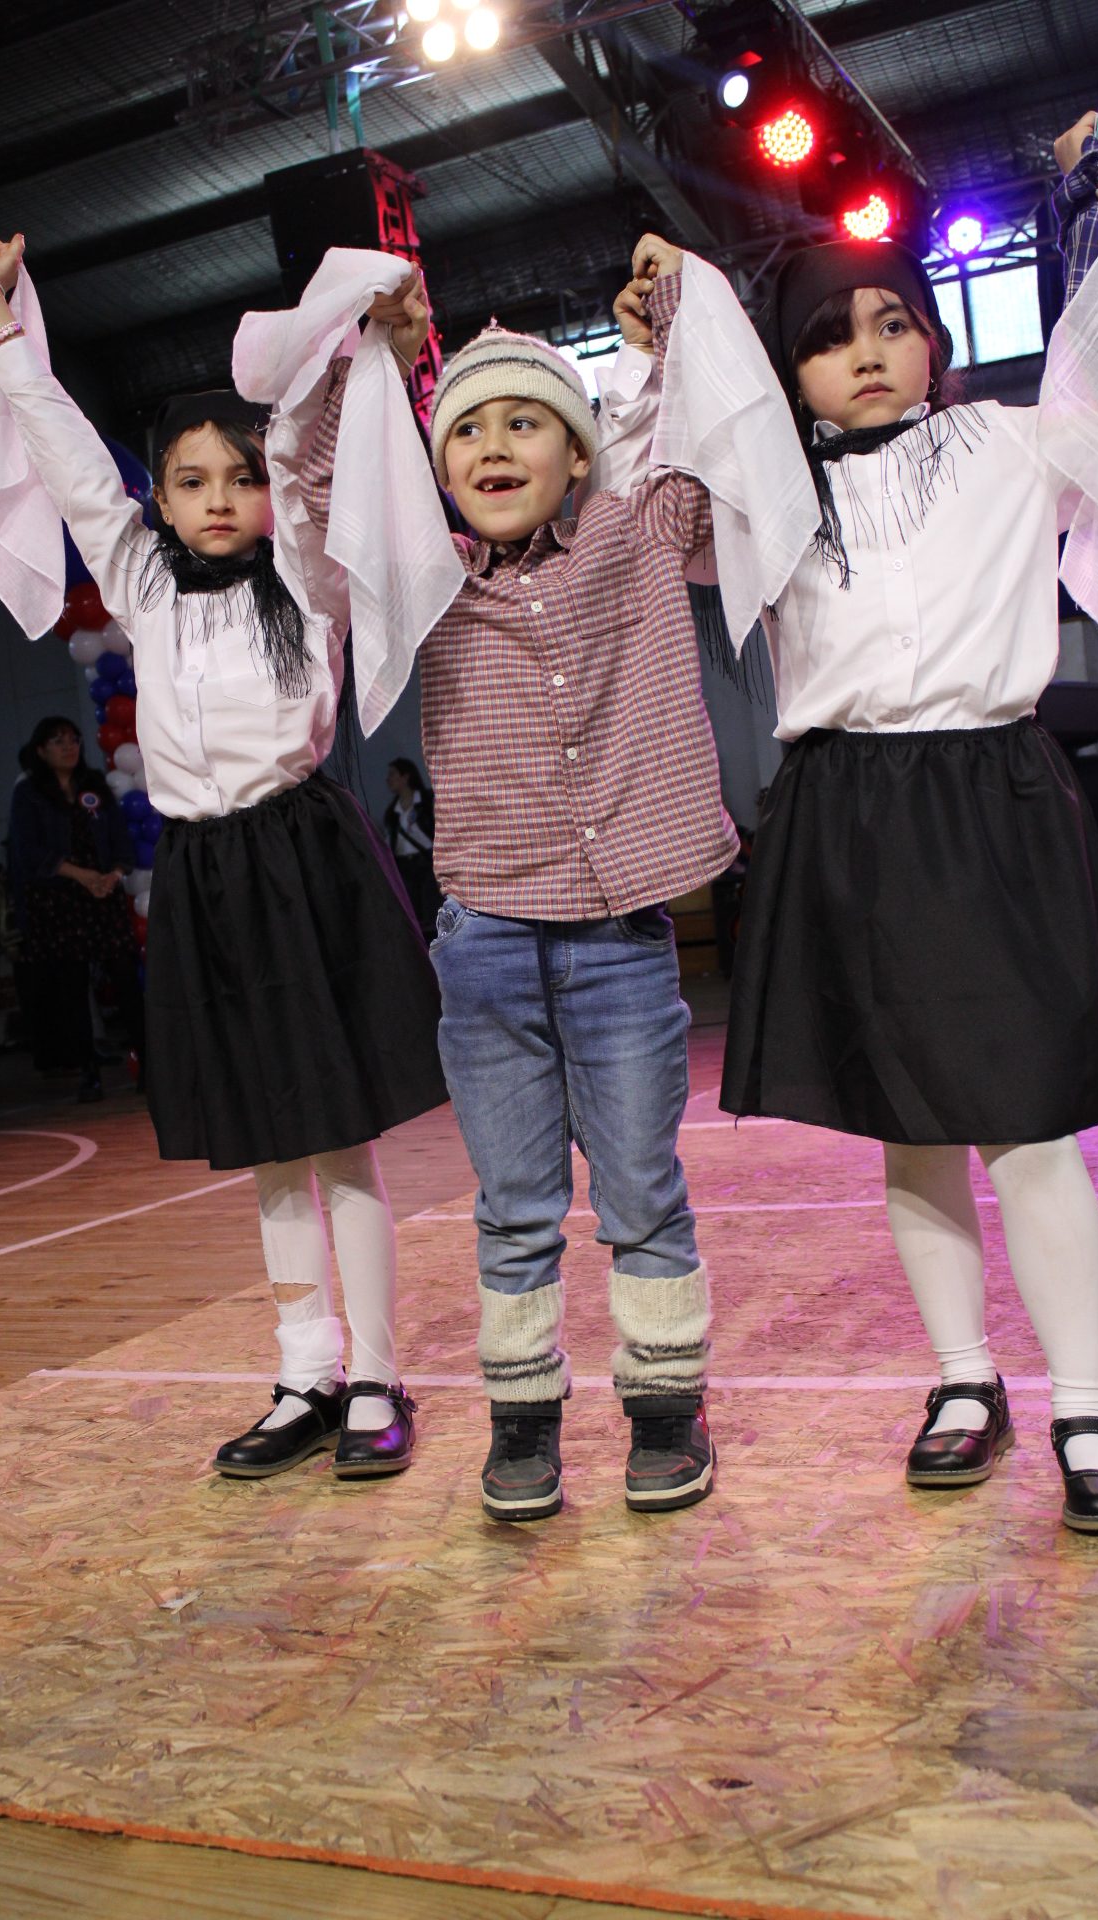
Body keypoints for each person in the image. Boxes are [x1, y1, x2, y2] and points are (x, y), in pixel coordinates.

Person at [262, 236, 804, 1525]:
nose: (492, 446)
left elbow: (708, 431)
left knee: (640, 1192)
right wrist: (378, 359)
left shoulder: (637, 533)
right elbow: (325, 487)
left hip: (618, 939)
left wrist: (667, 306)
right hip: (488, 943)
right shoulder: (422, 580)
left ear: (575, 454)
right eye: (464, 431)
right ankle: (522, 1421)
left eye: (524, 423)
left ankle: (664, 1408)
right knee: (511, 1206)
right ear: (436, 467)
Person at [661, 111, 1098, 1533]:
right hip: (848, 814)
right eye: (829, 336)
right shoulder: (767, 500)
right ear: (789, 370)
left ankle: (1084, 1402)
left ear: (934, 342)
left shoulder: (1014, 446)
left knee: (1029, 1127)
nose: (867, 351)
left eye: (893, 324)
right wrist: (656, 338)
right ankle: (959, 1380)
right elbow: (658, 492)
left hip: (992, 802)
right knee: (910, 1128)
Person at [0, 234, 450, 1480]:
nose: (218, 497)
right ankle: (304, 1371)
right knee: (265, 1140)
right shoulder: (138, 581)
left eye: (237, 475)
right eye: (189, 480)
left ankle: (377, 1372)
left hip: (304, 863)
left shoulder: (303, 573)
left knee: (339, 1135)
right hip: (204, 877)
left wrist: (368, 345)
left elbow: (311, 444)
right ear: (162, 500)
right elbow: (70, 462)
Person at [7, 715, 143, 1101]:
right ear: (40, 750)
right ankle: (88, 1072)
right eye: (59, 741)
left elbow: (119, 839)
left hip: (103, 893)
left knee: (125, 977)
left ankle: (148, 1063)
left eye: (74, 739)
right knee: (72, 987)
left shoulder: (94, 784)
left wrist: (113, 874)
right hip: (59, 899)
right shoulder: (29, 792)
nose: (69, 747)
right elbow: (28, 850)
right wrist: (82, 876)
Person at [382, 757, 441, 937]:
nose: (388, 779)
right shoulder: (392, 812)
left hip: (426, 862)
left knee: (432, 908)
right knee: (414, 912)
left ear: (405, 777)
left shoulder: (426, 801)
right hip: (404, 866)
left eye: (393, 774)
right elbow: (390, 840)